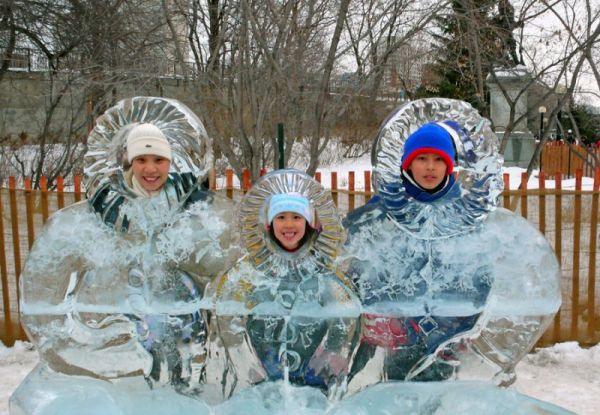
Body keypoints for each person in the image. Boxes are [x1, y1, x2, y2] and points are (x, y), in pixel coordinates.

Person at [13, 97, 241, 414]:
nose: (150, 168)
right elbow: (40, 306)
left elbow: (238, 281)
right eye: (142, 159)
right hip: (102, 372)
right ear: (127, 161)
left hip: (184, 371)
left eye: (159, 159)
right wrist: (86, 355)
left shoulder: (204, 219)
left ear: (171, 162)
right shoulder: (78, 225)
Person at [204, 169, 360, 400]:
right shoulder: (251, 270)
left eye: (296, 217)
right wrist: (244, 359)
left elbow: (345, 312)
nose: (289, 224)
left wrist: (332, 351)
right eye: (281, 217)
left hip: (312, 367)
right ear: (269, 224)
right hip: (264, 362)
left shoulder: (322, 269)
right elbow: (229, 312)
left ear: (308, 222)